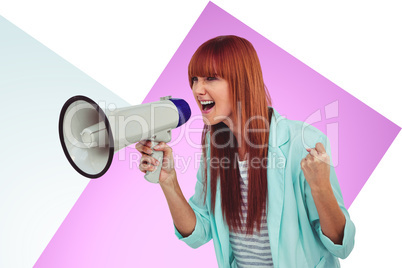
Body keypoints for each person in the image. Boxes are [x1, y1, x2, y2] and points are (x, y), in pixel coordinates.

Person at [135, 35, 355, 267]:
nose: (198, 89)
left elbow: (341, 245)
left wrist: (321, 188)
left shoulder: (303, 142)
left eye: (211, 78)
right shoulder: (215, 149)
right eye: (194, 79)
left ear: (242, 80)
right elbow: (199, 232)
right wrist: (168, 182)